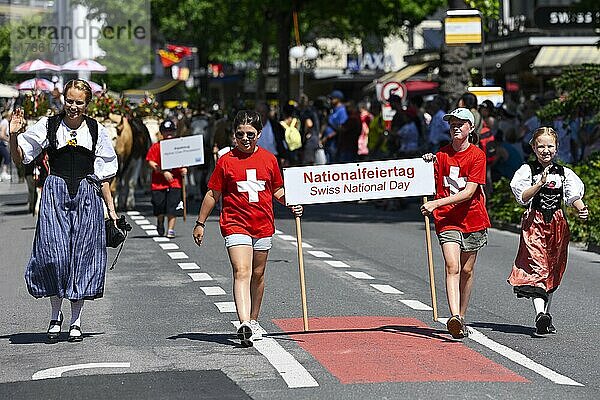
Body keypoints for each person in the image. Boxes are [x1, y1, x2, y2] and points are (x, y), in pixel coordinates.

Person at [9, 79, 118, 342]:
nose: (73, 106)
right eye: (69, 101)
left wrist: (111, 209)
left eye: (79, 102)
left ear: (87, 104)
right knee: (54, 253)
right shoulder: (48, 125)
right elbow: (20, 156)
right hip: (55, 191)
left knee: (82, 256)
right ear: (63, 100)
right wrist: (13, 135)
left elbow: (104, 174)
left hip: (86, 194)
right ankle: (55, 314)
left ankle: (76, 321)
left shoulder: (96, 130)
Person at [192, 110, 302, 347]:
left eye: (250, 134)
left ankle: (254, 319)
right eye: (240, 134)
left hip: (262, 224)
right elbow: (213, 193)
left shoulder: (269, 160)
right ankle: (243, 323)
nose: (245, 138)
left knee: (258, 274)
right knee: (241, 270)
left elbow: (277, 190)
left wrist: (292, 203)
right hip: (235, 224)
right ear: (233, 135)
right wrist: (200, 222)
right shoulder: (226, 161)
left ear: (259, 134)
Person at [507, 127, 588, 335]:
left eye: (549, 146)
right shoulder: (527, 171)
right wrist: (539, 184)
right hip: (535, 223)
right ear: (533, 148)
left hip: (557, 224)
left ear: (557, 147)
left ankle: (546, 315)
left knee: (553, 268)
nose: (545, 150)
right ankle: (539, 314)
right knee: (539, 267)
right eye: (540, 146)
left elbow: (572, 197)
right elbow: (522, 197)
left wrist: (581, 209)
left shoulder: (564, 173)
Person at [420, 107, 490, 339]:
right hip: (448, 219)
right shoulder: (441, 155)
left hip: (473, 218)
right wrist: (427, 162)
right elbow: (423, 177)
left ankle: (462, 315)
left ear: (471, 128)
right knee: (453, 266)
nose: (456, 127)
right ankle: (454, 317)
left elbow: (469, 192)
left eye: (460, 123)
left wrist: (435, 204)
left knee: (467, 270)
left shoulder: (477, 155)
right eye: (452, 124)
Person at [146, 119, 187, 238]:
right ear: (161, 133)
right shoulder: (156, 147)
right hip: (158, 183)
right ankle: (160, 221)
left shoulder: (179, 147)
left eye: (171, 131)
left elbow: (184, 161)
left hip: (175, 182)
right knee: (159, 206)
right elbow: (150, 161)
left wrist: (184, 169)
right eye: (166, 131)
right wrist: (163, 171)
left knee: (172, 207)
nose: (169, 134)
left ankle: (170, 229)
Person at [0, 110, 11, 181]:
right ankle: (4, 173)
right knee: (7, 157)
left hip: (2, 143)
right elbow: (1, 135)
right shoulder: (5, 122)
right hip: (1, 143)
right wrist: (9, 140)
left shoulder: (3, 121)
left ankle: (3, 173)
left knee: (1, 158)